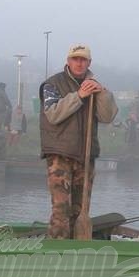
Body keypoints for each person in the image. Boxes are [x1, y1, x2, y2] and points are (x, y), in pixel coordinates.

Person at [39, 44, 118, 239]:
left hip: (86, 155)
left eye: (83, 59)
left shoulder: (95, 86)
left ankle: (77, 251)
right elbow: (53, 114)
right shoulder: (52, 84)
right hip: (60, 154)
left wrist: (102, 94)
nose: (79, 63)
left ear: (89, 62)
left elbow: (107, 117)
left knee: (80, 210)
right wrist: (79, 96)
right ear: (68, 61)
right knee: (61, 210)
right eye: (75, 59)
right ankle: (55, 251)